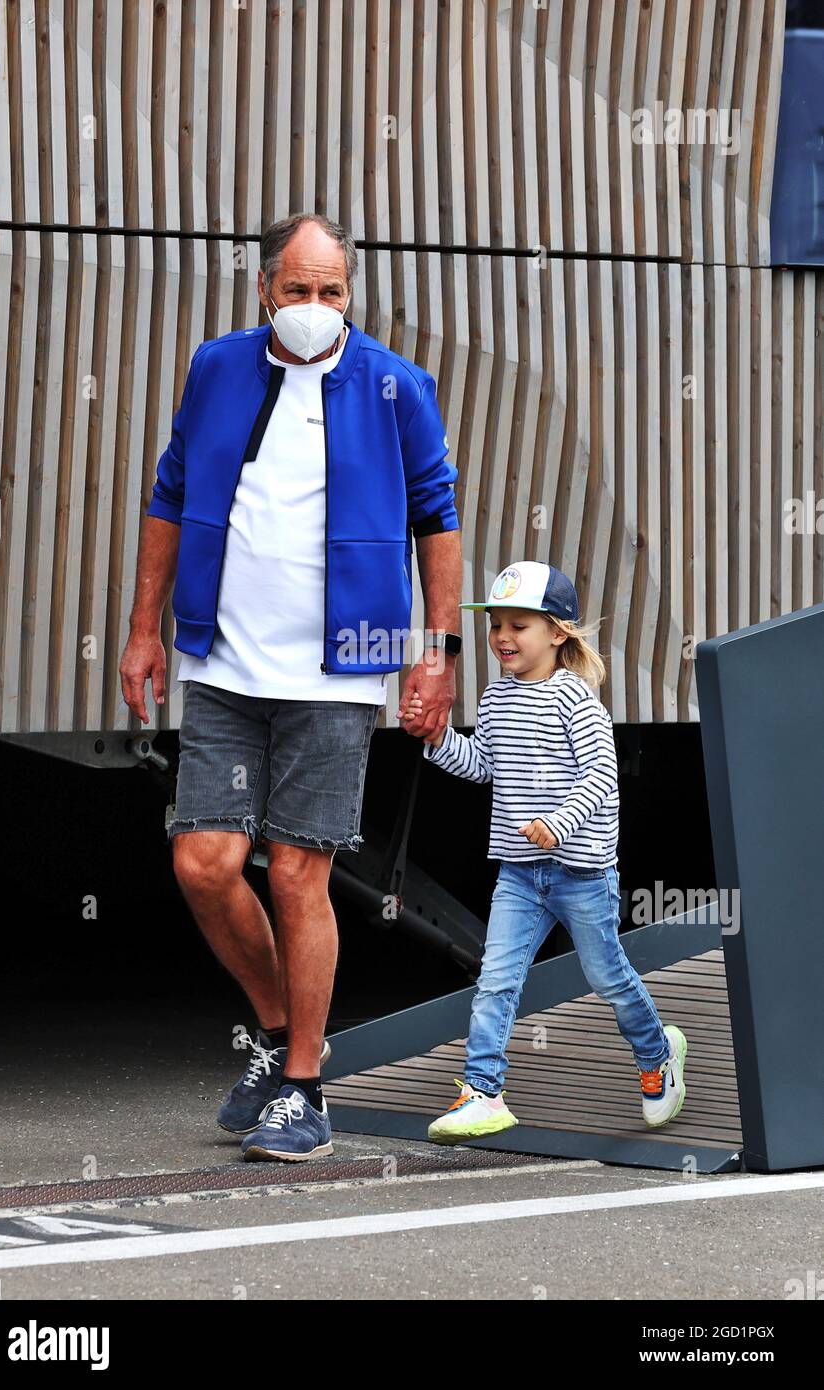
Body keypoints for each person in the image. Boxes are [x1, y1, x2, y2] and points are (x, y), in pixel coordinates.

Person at [119, 213, 463, 1161]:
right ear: (266, 289)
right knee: (204, 864)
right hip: (224, 659)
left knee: (300, 872)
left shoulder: (396, 385)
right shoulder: (219, 367)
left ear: (349, 294)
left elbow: (438, 514)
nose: (317, 308)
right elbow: (172, 493)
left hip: (342, 662)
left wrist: (435, 652)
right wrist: (145, 629)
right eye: (299, 289)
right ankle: (277, 1036)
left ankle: (305, 1088)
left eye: (333, 292)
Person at [401, 560, 688, 1142]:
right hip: (519, 874)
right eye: (496, 626)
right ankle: (483, 1091)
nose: (503, 637)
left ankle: (658, 1054)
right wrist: (436, 741)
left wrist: (559, 824)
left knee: (607, 975)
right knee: (496, 981)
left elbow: (601, 776)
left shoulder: (575, 699)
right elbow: (484, 766)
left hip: (581, 872)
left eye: (519, 626)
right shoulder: (494, 698)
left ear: (558, 632)